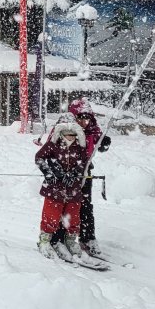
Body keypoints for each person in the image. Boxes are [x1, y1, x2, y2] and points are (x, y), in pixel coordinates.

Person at [35, 121, 104, 267]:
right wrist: (49, 172)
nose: (70, 137)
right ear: (61, 134)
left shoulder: (79, 148)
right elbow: (39, 157)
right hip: (55, 188)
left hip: (73, 188)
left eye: (73, 134)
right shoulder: (53, 145)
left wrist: (74, 173)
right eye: (67, 134)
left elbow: (84, 163)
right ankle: (44, 240)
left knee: (73, 216)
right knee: (51, 215)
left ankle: (71, 240)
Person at [53, 98, 112, 256]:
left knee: (85, 205)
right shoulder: (65, 127)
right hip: (65, 173)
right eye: (80, 118)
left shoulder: (92, 128)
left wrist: (104, 143)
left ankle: (87, 237)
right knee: (64, 205)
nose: (84, 122)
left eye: (86, 118)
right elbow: (51, 147)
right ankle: (59, 238)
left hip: (84, 172)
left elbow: (99, 145)